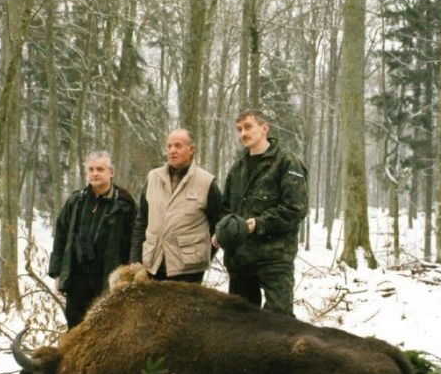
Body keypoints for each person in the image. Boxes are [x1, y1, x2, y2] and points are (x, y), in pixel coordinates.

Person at [213, 110, 308, 315]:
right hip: (240, 260)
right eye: (239, 129)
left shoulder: (286, 163)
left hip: (274, 260)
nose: (242, 133)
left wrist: (259, 223)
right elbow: (227, 209)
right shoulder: (237, 168)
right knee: (241, 324)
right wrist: (222, 231)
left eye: (248, 127)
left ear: (264, 129)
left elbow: (295, 209)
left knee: (279, 322)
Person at [49, 151, 136, 328]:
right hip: (77, 277)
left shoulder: (125, 204)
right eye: (91, 169)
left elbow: (135, 239)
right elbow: (60, 236)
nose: (94, 173)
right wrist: (57, 272)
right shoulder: (76, 201)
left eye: (100, 169)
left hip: (108, 276)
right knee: (75, 328)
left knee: (106, 327)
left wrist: (130, 271)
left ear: (111, 172)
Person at [130, 128, 221, 283]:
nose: (172, 150)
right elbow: (141, 222)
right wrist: (135, 258)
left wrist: (200, 255)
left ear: (192, 149)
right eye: (169, 146)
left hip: (188, 272)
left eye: (178, 146)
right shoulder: (153, 178)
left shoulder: (206, 183)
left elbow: (217, 227)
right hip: (153, 266)